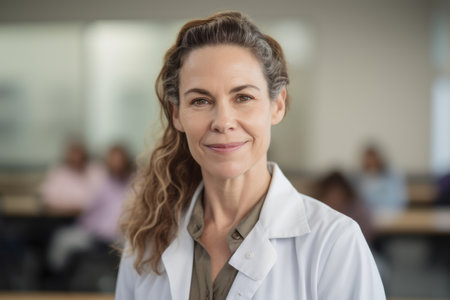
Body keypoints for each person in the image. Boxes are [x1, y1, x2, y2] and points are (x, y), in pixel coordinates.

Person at [116, 11, 385, 300]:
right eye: (200, 100)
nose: (223, 121)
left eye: (243, 97)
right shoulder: (147, 243)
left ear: (277, 106)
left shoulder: (334, 243)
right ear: (176, 114)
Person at [356, 145, 407, 214]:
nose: (370, 162)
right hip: (369, 215)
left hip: (393, 213)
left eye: (372, 159)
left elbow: (398, 199)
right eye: (367, 159)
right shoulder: (360, 180)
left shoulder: (392, 175)